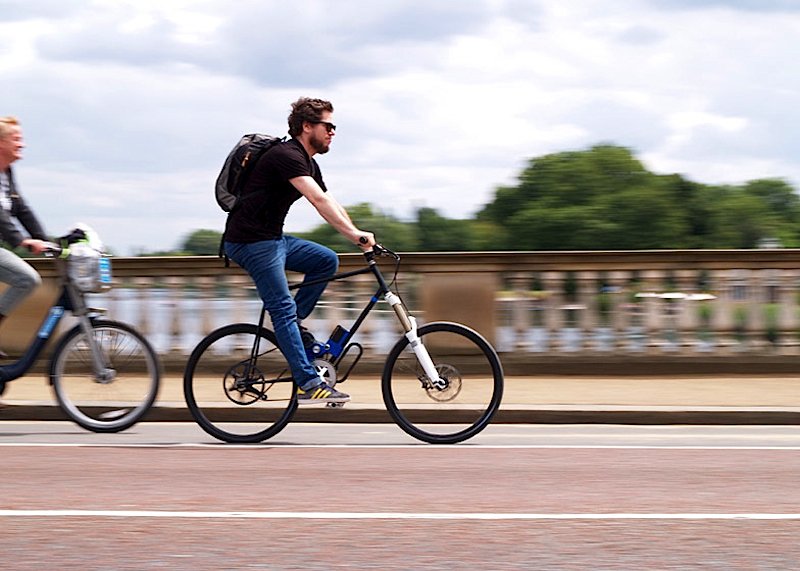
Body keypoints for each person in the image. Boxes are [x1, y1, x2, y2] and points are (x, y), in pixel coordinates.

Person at [224, 97, 375, 404]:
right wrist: (354, 235)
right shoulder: (287, 155)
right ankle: (308, 382)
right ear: (307, 127)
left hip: (274, 239)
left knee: (325, 261)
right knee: (281, 309)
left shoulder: (309, 162)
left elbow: (330, 201)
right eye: (328, 126)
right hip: (250, 242)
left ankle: (293, 327)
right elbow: (317, 202)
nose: (333, 132)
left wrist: (358, 236)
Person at [0, 117, 49, 358]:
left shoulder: (7, 172)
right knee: (26, 278)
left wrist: (45, 239)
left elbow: (21, 209)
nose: (23, 144)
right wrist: (21, 240)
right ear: (1, 143)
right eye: (16, 138)